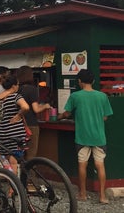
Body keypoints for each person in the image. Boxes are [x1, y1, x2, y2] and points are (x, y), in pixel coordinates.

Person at [58, 69, 113, 204]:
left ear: (79, 81)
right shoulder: (102, 96)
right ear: (93, 81)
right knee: (100, 165)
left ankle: (82, 194)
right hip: (99, 137)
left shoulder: (75, 96)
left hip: (82, 137)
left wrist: (58, 116)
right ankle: (102, 196)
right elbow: (105, 117)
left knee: (82, 164)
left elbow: (66, 114)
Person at [16, 65, 51, 160]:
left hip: (18, 125)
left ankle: (19, 173)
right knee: (31, 153)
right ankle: (30, 174)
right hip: (31, 125)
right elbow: (36, 109)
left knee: (20, 153)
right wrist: (46, 106)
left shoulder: (16, 89)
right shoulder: (32, 89)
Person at [0, 75, 29, 172]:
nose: (18, 87)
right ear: (13, 86)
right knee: (14, 162)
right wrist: (19, 115)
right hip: (15, 134)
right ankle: (13, 187)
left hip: (1, 133)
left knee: (0, 161)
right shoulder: (16, 96)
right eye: (18, 84)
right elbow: (26, 107)